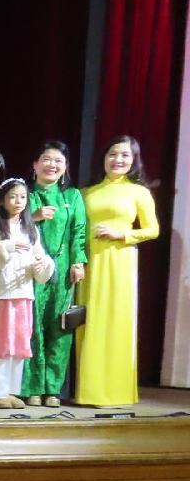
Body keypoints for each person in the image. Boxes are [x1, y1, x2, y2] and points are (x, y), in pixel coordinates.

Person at [75, 135, 161, 406]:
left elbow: (153, 230)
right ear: (104, 158)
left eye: (125, 155)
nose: (117, 160)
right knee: (88, 321)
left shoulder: (138, 192)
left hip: (120, 263)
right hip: (89, 263)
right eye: (112, 154)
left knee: (116, 321)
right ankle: (87, 391)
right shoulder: (87, 192)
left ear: (134, 160)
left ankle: (116, 391)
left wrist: (122, 234)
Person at [22, 141, 87, 407]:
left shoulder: (72, 196)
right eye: (46, 159)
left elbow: (79, 231)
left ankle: (53, 388)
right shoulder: (26, 194)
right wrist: (33, 216)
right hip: (32, 268)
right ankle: (33, 386)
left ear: (65, 167)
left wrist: (78, 261)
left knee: (60, 328)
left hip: (63, 268)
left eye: (58, 161)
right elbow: (9, 223)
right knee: (32, 326)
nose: (52, 165)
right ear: (35, 165)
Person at [0, 179, 54, 408]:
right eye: (12, 197)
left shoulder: (30, 230)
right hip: (0, 293)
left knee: (18, 343)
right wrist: (6, 248)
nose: (18, 201)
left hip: (23, 293)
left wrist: (44, 265)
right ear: (2, 201)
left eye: (22, 197)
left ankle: (10, 390)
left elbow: (40, 256)